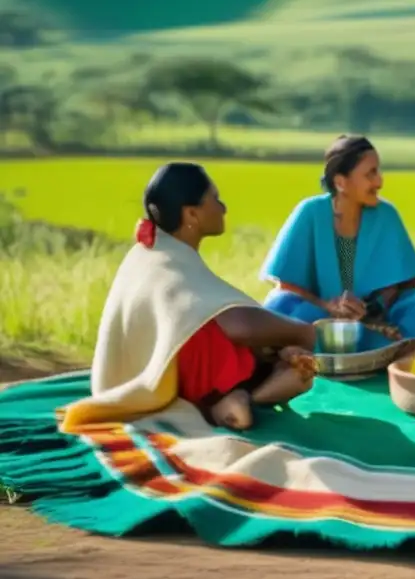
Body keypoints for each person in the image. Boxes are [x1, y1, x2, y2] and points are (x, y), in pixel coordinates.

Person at [60, 163, 317, 435]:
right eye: (215, 199)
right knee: (294, 367)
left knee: (294, 368)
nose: (223, 207)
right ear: (191, 213)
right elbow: (240, 325)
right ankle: (233, 400)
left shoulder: (153, 252)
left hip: (159, 371)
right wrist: (305, 333)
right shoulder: (169, 262)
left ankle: (239, 400)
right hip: (189, 372)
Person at [260, 134, 415, 350]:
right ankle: (370, 348)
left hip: (376, 318)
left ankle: (379, 348)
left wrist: (368, 311)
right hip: (319, 312)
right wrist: (328, 306)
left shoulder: (386, 214)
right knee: (282, 306)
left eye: (378, 171)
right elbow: (287, 284)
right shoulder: (310, 212)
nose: (379, 181)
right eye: (370, 174)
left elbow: (397, 285)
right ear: (341, 182)